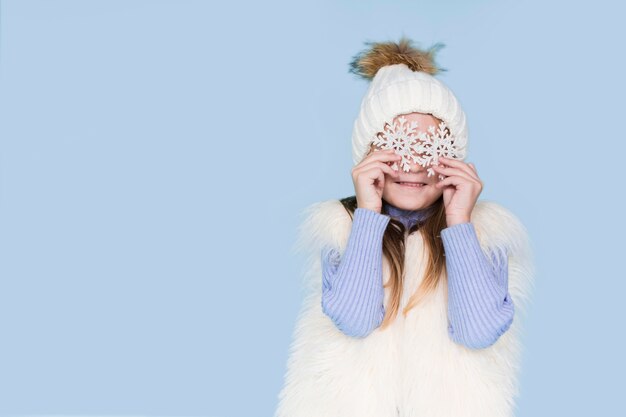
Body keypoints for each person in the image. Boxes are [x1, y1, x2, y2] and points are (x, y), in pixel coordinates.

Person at [274, 37, 535, 417]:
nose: (412, 166)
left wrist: (460, 220)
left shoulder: (486, 233)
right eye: (399, 146)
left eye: (429, 149)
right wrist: (367, 212)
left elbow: (478, 332)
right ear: (368, 155)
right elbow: (355, 320)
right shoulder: (342, 227)